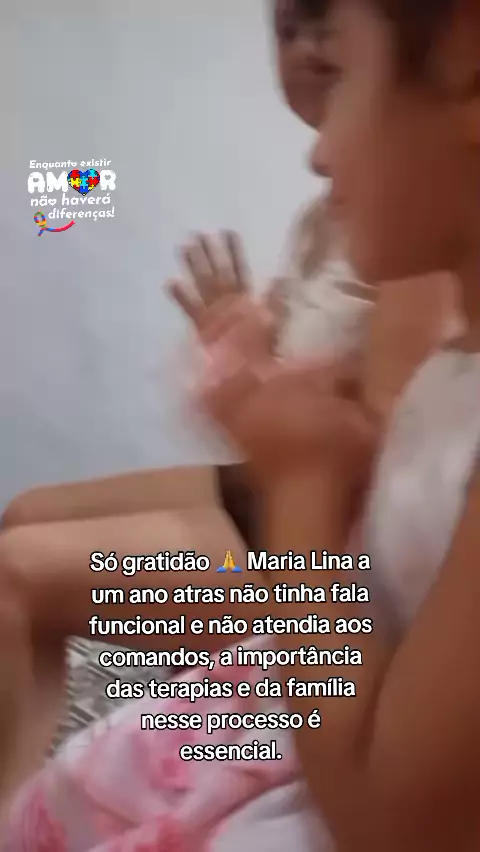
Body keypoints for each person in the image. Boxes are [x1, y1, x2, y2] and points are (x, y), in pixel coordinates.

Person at [0, 1, 463, 849]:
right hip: (273, 508)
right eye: (287, 28)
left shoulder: (415, 249)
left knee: (17, 574)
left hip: (293, 547)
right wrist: (249, 364)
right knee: (24, 514)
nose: (308, 49)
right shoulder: (331, 219)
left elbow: (368, 461)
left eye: (336, 39)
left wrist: (288, 448)